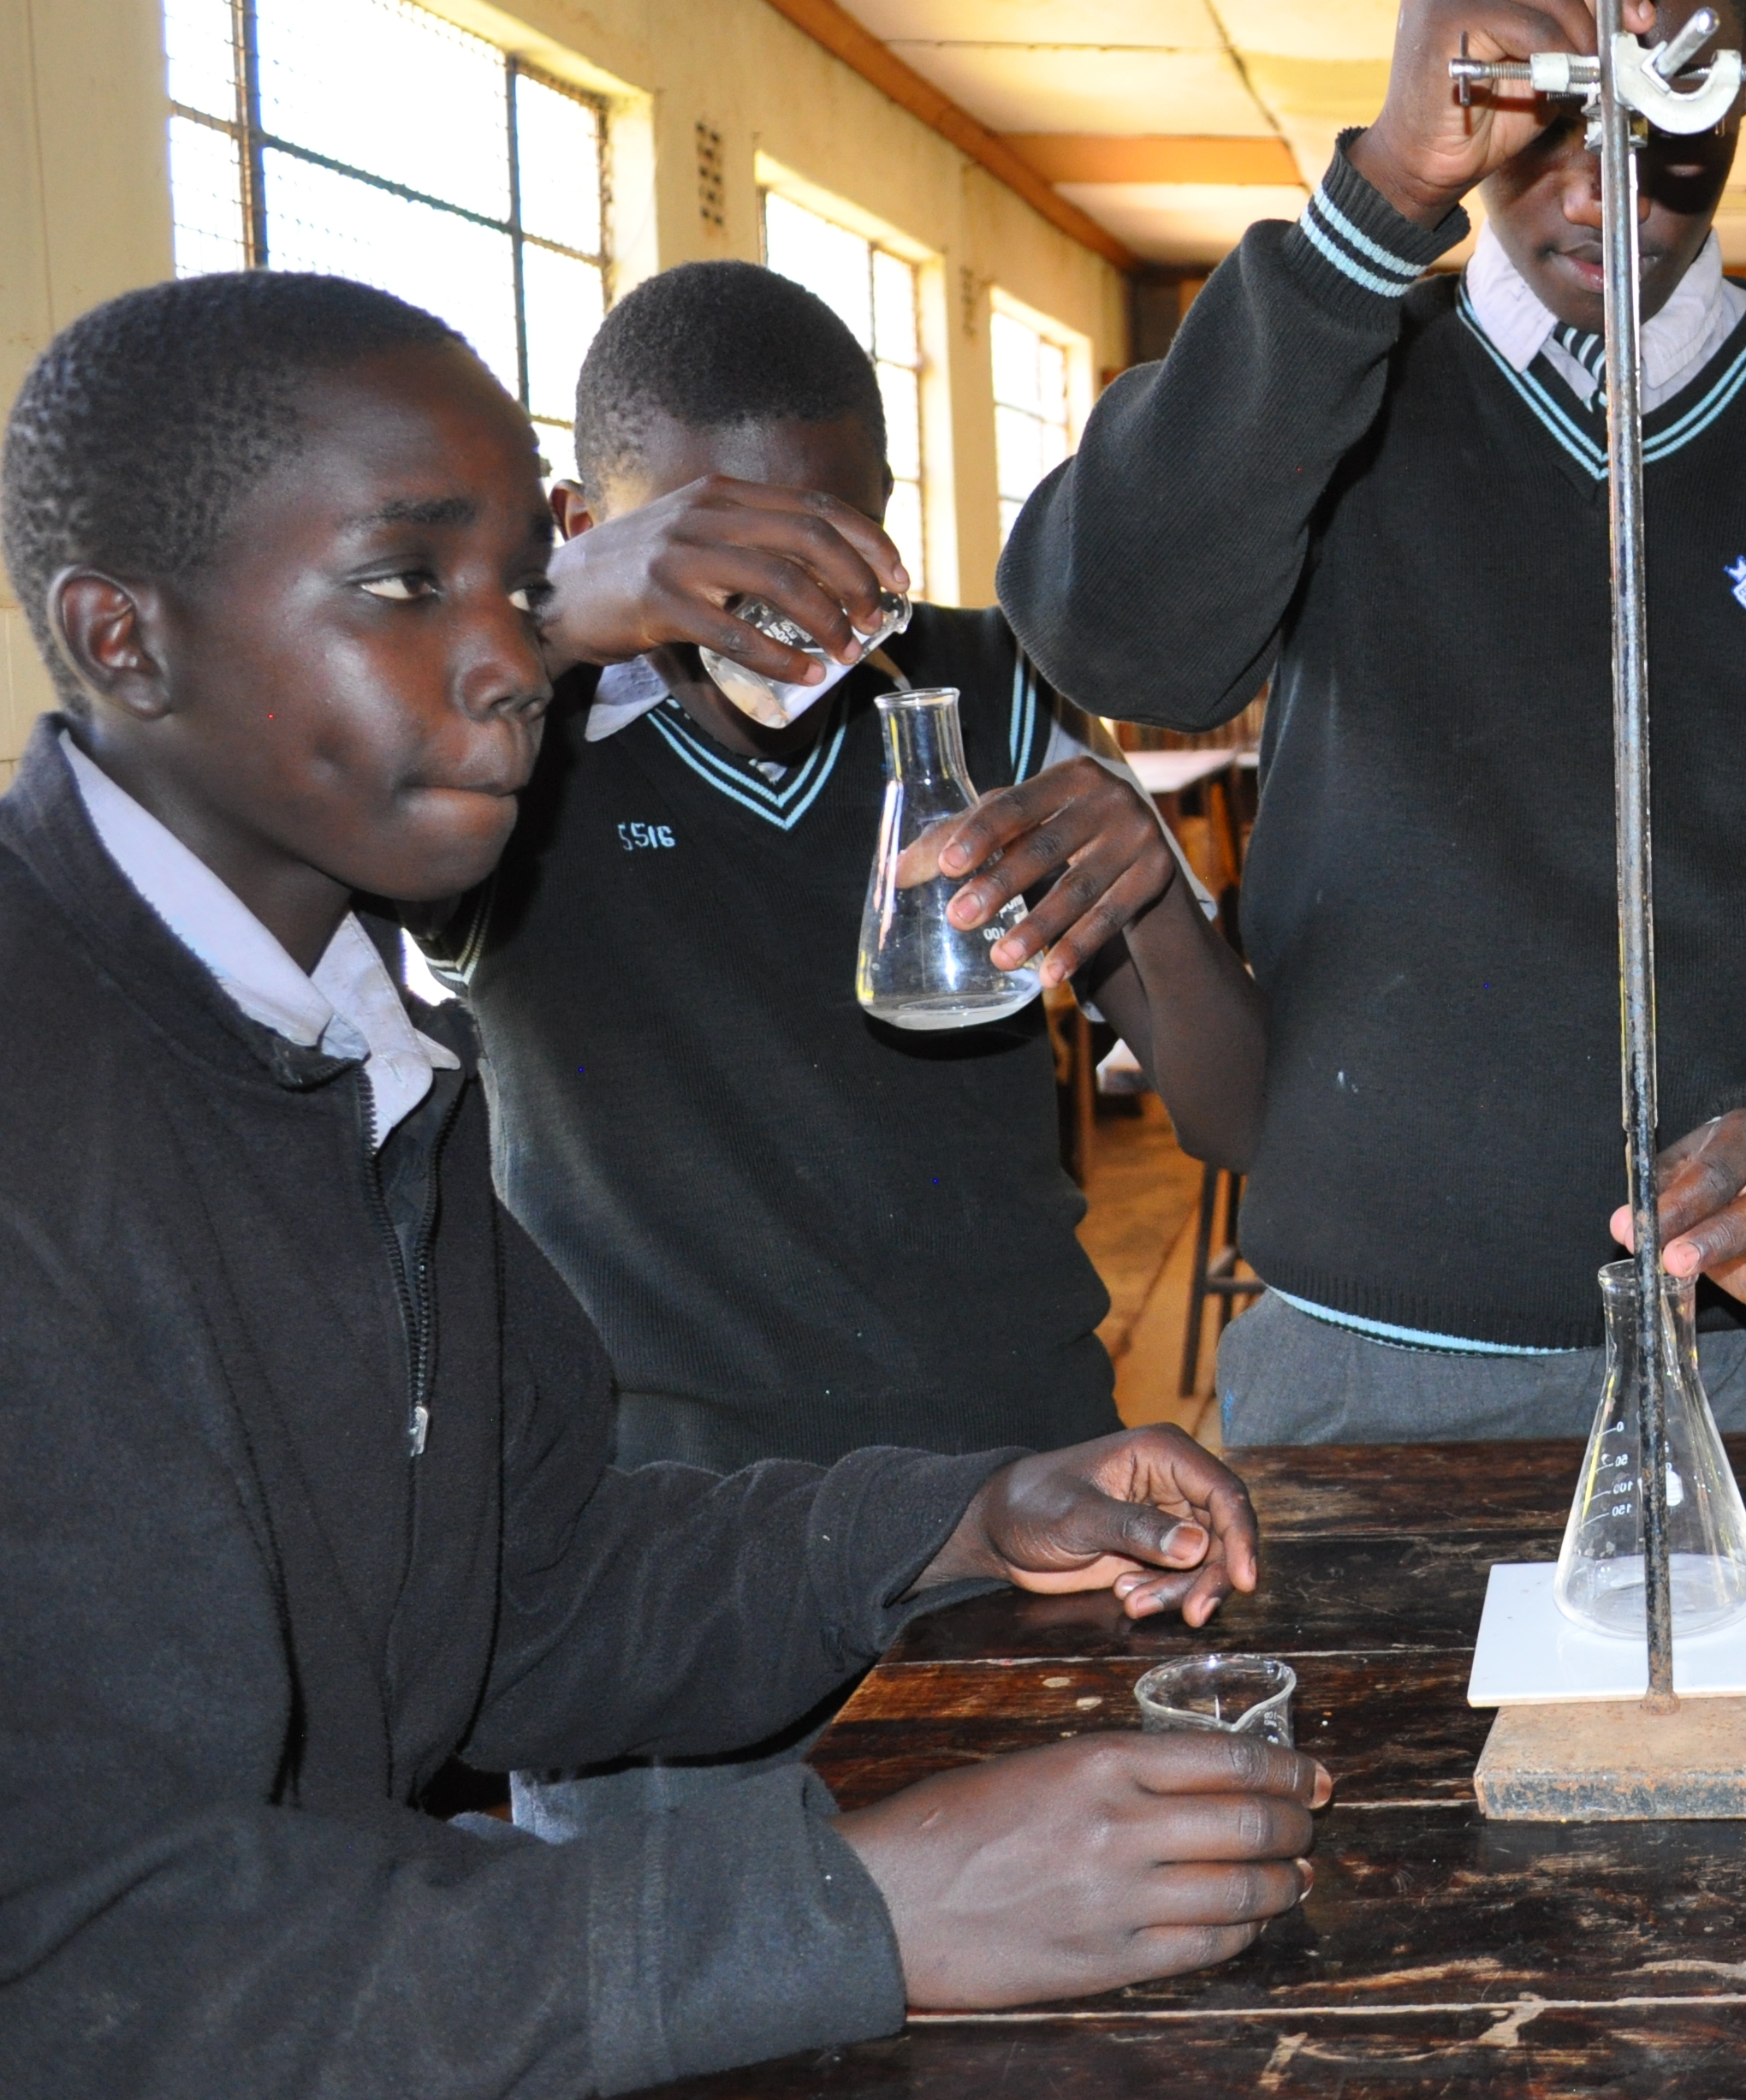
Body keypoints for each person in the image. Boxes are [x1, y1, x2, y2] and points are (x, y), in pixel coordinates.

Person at [0, 272, 1320, 2097]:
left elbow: (523, 1596)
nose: (503, 657)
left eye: (511, 594)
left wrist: (957, 1517)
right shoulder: (81, 1106)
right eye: (412, 582)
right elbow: (99, 1962)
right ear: (122, 638)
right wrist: (853, 1905)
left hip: (874, 1496)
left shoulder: (359, 1060)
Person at [992, 0, 1746, 1443]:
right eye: (1537, 90)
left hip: (1738, 1350)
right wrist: (1383, 193)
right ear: (1442, 57)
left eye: (1665, 87)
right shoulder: (1328, 362)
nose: (1598, 169)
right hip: (1359, 1356)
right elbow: (1122, 642)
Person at [424, 259, 1262, 1475]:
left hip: (1018, 1459)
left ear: (884, 508)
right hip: (668, 1503)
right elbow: (282, 784)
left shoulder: (1000, 691)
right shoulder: (490, 751)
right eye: (719, 550)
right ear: (588, 532)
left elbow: (1239, 1121)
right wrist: (540, 619)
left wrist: (1158, 905)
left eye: (828, 541)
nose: (784, 605)